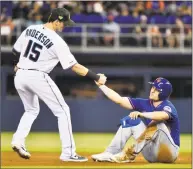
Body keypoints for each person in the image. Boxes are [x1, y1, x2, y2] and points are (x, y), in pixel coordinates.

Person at [11, 8, 107, 162]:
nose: (65, 26)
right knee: (62, 111)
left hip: (20, 75)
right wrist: (96, 77)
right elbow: (75, 67)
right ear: (56, 21)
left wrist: (16, 64)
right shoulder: (57, 41)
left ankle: (17, 141)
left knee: (31, 110)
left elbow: (15, 50)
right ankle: (68, 153)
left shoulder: (30, 29)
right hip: (37, 75)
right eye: (63, 23)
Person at [92, 77, 180, 163]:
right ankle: (110, 152)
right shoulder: (145, 103)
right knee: (130, 120)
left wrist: (142, 114)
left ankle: (129, 154)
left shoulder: (168, 106)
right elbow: (120, 100)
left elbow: (162, 115)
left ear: (163, 93)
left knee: (157, 123)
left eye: (156, 89)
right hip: (151, 153)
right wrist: (102, 86)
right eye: (152, 87)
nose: (152, 90)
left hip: (169, 152)